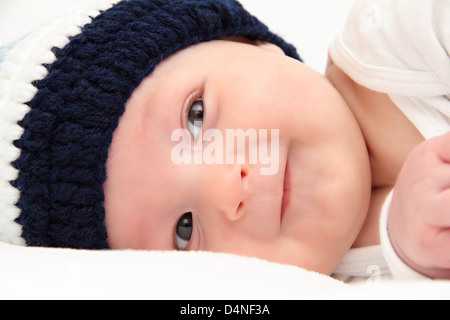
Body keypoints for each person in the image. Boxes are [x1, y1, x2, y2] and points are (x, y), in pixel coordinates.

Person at [0, 0, 448, 282]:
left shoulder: (404, 35)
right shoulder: (351, 280)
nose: (229, 187)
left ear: (247, 41)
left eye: (196, 116)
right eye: (185, 229)